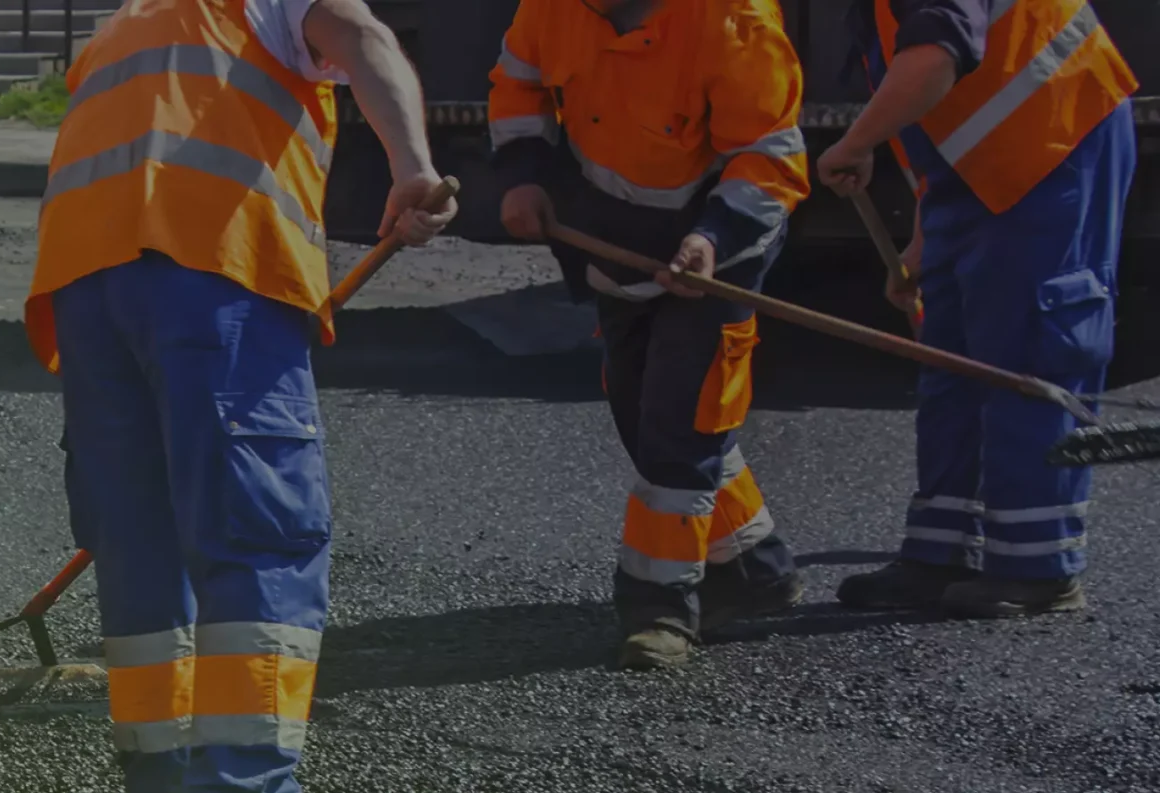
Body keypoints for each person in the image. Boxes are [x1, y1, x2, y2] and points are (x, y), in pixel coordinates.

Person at [28, 0, 454, 788]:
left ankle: (158, 771)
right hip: (212, 268)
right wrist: (413, 168)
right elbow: (362, 38)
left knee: (138, 541)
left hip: (86, 287)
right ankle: (243, 780)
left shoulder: (127, 23)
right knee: (257, 533)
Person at [488, 0, 813, 670]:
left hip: (718, 255)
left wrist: (711, 239)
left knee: (678, 430)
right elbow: (518, 82)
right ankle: (758, 567)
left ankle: (660, 608)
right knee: (645, 416)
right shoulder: (552, 9)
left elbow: (768, 161)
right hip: (617, 246)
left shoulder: (733, 21)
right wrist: (522, 177)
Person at [820, 0, 1139, 618]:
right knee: (950, 358)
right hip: (983, 167)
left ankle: (1038, 567)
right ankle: (939, 554)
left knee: (1031, 347)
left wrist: (856, 143)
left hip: (1057, 134)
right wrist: (922, 238)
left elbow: (937, 55)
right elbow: (939, 116)